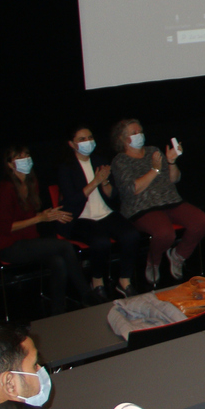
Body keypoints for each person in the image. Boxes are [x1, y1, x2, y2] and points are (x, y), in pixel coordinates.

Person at [107, 120, 205, 286]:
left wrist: (171, 162)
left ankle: (178, 256)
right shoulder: (120, 161)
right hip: (142, 207)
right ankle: (153, 262)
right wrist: (154, 170)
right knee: (165, 233)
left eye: (140, 131)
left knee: (201, 221)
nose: (139, 135)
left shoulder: (153, 151)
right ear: (123, 139)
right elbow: (133, 189)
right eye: (134, 133)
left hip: (170, 200)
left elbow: (174, 179)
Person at [0, 146, 92, 312]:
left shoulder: (31, 183)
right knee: (65, 246)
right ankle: (87, 295)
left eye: (27, 156)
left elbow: (25, 216)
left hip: (28, 241)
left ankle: (57, 310)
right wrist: (39, 218)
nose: (25, 160)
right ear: (9, 164)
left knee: (58, 261)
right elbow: (6, 227)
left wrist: (46, 214)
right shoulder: (5, 189)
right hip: (8, 246)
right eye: (19, 158)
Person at [57, 126, 142, 296]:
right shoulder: (65, 167)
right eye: (82, 139)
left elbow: (112, 195)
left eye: (89, 137)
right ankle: (97, 281)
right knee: (100, 241)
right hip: (80, 218)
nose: (87, 142)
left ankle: (124, 280)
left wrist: (105, 183)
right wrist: (96, 181)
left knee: (131, 234)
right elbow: (71, 200)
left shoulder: (99, 161)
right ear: (71, 144)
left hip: (104, 213)